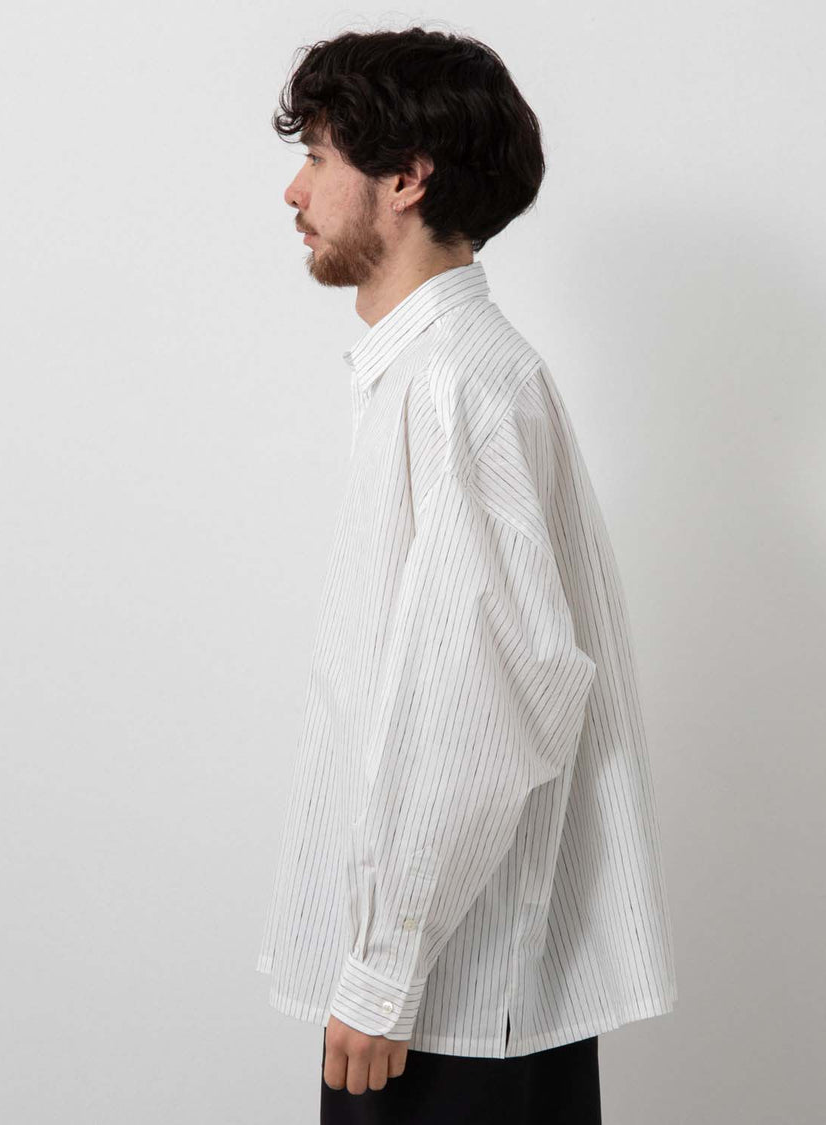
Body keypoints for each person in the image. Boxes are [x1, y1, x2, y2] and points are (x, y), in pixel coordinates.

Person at [255, 25, 678, 1123]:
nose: (294, 190)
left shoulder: (455, 387)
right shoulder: (445, 375)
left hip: (446, 1005)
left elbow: (476, 706)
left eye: (319, 157)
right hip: (462, 990)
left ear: (406, 178)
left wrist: (380, 971)